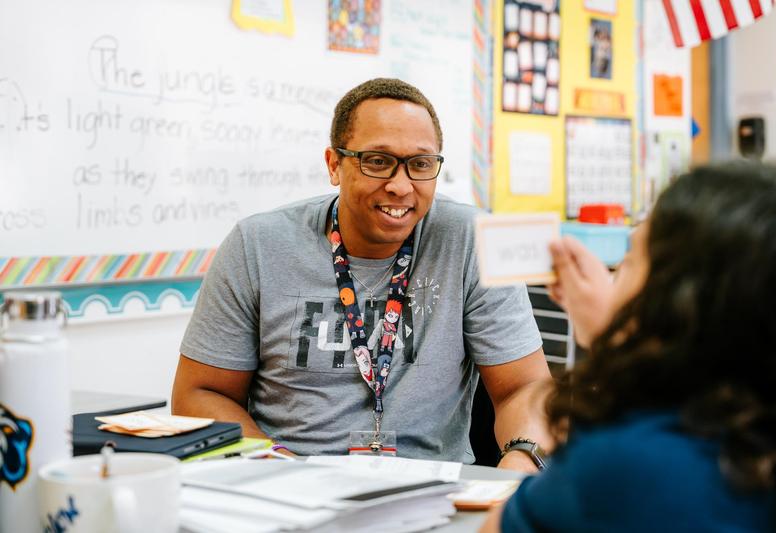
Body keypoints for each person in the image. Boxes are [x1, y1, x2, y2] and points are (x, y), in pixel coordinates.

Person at [172, 78, 552, 470]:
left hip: (434, 496)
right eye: (377, 160)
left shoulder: (472, 242)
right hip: (289, 488)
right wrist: (281, 470)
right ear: (334, 164)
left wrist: (522, 461)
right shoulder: (257, 245)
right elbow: (200, 394)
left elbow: (524, 388)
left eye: (421, 164)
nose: (401, 185)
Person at [481, 161, 776, 532]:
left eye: (628, 263)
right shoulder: (772, 435)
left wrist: (613, 340)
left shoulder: (629, 460)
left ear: (671, 302)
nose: (611, 277)